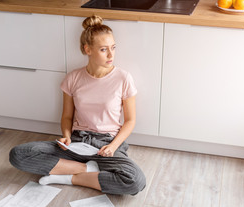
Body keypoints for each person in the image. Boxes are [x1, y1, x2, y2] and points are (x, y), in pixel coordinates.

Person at [9, 15, 146, 195]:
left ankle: (69, 177)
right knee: (18, 154)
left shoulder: (123, 78)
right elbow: (67, 116)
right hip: (77, 141)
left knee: (135, 181)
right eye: (104, 49)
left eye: (113, 48)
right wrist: (66, 137)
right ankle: (87, 170)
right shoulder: (73, 78)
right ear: (87, 49)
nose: (111, 55)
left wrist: (113, 146)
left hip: (106, 144)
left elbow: (130, 120)